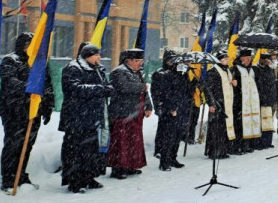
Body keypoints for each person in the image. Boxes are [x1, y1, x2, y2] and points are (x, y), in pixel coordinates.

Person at [0, 32, 55, 191]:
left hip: (33, 111)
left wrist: (48, 105)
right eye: (30, 44)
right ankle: (8, 178)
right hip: (14, 110)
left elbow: (48, 85)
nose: (32, 48)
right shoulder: (11, 60)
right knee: (13, 144)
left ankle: (21, 174)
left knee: (27, 144)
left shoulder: (39, 62)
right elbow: (9, 81)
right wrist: (30, 88)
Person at [60, 44, 114, 193]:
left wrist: (108, 88)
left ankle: (89, 177)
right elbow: (74, 89)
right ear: (87, 55)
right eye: (96, 55)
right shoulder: (73, 68)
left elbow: (105, 85)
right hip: (76, 116)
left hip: (94, 116)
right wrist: (100, 89)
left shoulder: (98, 69)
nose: (99, 58)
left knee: (91, 150)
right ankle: (75, 181)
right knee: (75, 150)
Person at [107, 48, 152, 179]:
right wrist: (142, 87)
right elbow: (124, 87)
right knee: (120, 142)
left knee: (133, 142)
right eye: (138, 61)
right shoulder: (119, 72)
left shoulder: (138, 73)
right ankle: (118, 169)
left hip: (135, 113)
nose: (140, 63)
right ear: (129, 61)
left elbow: (145, 92)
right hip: (121, 113)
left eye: (141, 61)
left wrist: (149, 106)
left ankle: (131, 166)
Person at [151, 50, 193, 171]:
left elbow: (185, 89)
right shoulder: (161, 74)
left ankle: (173, 158)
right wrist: (169, 108)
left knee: (177, 135)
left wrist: (188, 75)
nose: (172, 62)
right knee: (167, 136)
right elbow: (161, 94)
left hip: (181, 107)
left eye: (174, 60)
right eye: (170, 60)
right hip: (168, 109)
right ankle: (164, 161)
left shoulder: (179, 73)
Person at [204, 50, 234, 159]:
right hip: (217, 103)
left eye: (227, 59)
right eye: (225, 59)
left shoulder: (227, 70)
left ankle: (223, 150)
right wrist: (211, 103)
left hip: (226, 103)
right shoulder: (213, 71)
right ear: (219, 60)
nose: (227, 61)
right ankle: (214, 151)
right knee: (215, 128)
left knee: (223, 128)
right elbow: (208, 89)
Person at [232, 48, 261, 152]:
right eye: (246, 59)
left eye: (249, 58)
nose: (248, 60)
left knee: (250, 123)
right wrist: (236, 86)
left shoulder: (253, 69)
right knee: (240, 125)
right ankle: (238, 146)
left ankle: (247, 145)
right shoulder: (235, 69)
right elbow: (232, 84)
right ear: (241, 59)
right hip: (240, 102)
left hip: (251, 102)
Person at [254, 52, 277, 148]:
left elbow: (272, 83)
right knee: (260, 122)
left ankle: (268, 142)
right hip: (261, 99)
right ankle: (260, 142)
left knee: (268, 122)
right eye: (267, 60)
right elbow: (259, 84)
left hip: (270, 99)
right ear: (262, 60)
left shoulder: (270, 70)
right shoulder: (257, 70)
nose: (269, 62)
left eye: (270, 60)